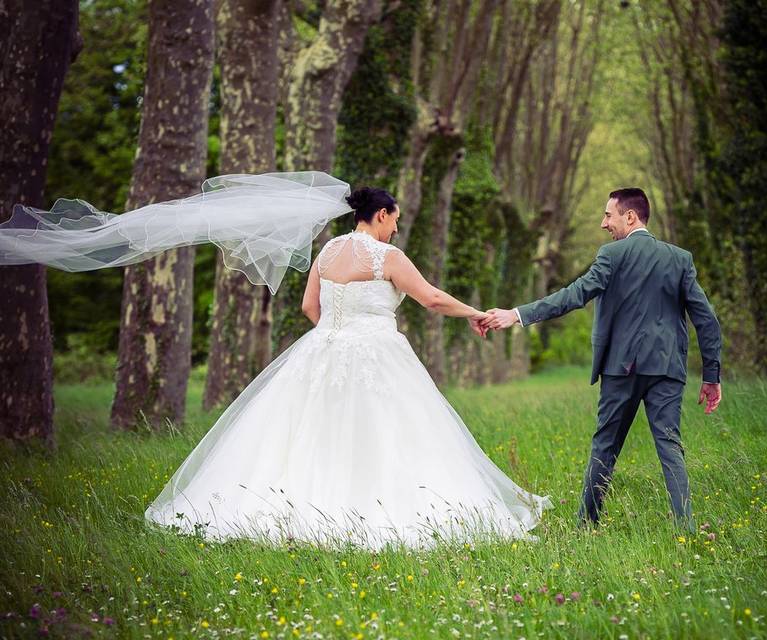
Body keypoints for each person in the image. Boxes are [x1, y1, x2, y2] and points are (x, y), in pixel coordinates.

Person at [0, 173, 551, 550]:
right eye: (395, 218)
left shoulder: (329, 251)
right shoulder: (387, 256)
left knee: (307, 433)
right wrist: (480, 313)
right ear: (380, 215)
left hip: (323, 351)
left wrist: (337, 335)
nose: (396, 227)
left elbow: (311, 306)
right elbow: (431, 298)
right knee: (392, 432)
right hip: (378, 354)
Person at [483, 188, 721, 532]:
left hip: (620, 368)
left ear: (631, 216)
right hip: (667, 369)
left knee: (605, 445)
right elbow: (707, 320)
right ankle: (686, 528)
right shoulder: (679, 259)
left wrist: (518, 314)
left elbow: (574, 295)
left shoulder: (612, 255)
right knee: (670, 446)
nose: (603, 223)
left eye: (608, 215)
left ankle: (587, 524)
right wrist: (711, 376)